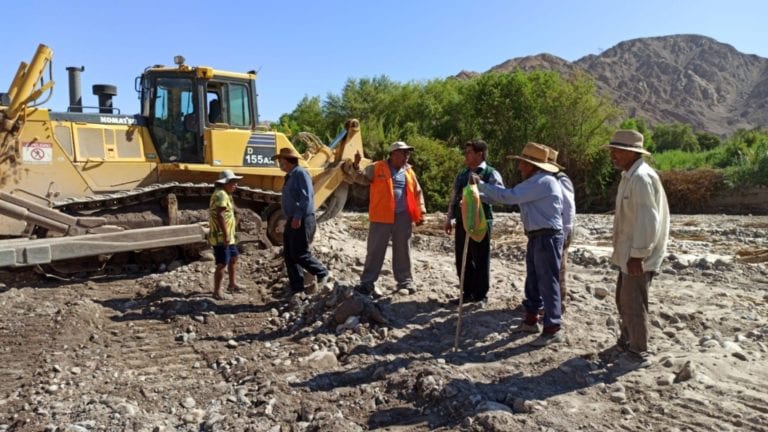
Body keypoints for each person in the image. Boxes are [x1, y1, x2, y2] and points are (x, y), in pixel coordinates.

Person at [474, 142, 564, 347]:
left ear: (532, 165)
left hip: (546, 237)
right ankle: (531, 320)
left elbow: (509, 196)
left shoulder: (542, 182)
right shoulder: (538, 182)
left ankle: (553, 327)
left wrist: (480, 185)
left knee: (547, 282)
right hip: (538, 236)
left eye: (523, 163)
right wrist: (481, 196)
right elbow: (509, 198)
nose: (520, 167)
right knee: (533, 280)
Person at [607, 130, 670, 368]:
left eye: (617, 150)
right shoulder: (630, 175)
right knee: (623, 299)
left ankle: (638, 352)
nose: (612, 154)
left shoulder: (641, 178)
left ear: (631, 152)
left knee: (633, 303)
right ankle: (626, 341)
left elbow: (647, 221)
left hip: (638, 255)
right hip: (630, 253)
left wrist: (638, 255)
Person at [345, 141, 426, 295]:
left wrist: (421, 211)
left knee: (403, 249)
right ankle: (367, 283)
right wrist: (355, 165)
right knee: (375, 250)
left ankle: (405, 282)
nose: (407, 156)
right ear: (394, 154)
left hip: (403, 216)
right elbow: (360, 178)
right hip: (381, 216)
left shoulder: (409, 171)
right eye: (404, 153)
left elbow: (417, 192)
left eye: (408, 153)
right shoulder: (377, 167)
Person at [444, 140, 504, 306]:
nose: (466, 155)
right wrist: (449, 218)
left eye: (469, 152)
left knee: (480, 257)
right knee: (462, 258)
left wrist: (475, 198)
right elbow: (454, 197)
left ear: (480, 154)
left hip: (481, 221)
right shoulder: (462, 174)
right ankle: (467, 292)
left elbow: (499, 196)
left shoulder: (491, 173)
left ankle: (480, 295)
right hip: (462, 221)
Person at [274, 147, 329, 293]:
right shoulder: (290, 176)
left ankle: (322, 272)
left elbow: (306, 197)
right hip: (293, 218)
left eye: (281, 160)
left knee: (299, 253)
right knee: (289, 254)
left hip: (303, 218)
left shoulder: (300, 173)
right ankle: (297, 287)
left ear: (288, 161)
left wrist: (297, 216)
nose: (279, 163)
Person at [544, 146, 576, 314]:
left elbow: (568, 207)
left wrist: (564, 232)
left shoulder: (560, 179)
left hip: (560, 230)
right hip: (554, 229)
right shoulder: (548, 179)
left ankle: (560, 303)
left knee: (558, 268)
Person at [208, 169, 244, 301]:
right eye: (233, 182)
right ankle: (217, 292)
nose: (236, 185)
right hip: (221, 236)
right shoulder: (221, 195)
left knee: (233, 258)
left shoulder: (225, 194)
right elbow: (220, 215)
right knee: (222, 263)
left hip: (229, 235)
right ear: (225, 183)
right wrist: (226, 235)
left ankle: (232, 284)